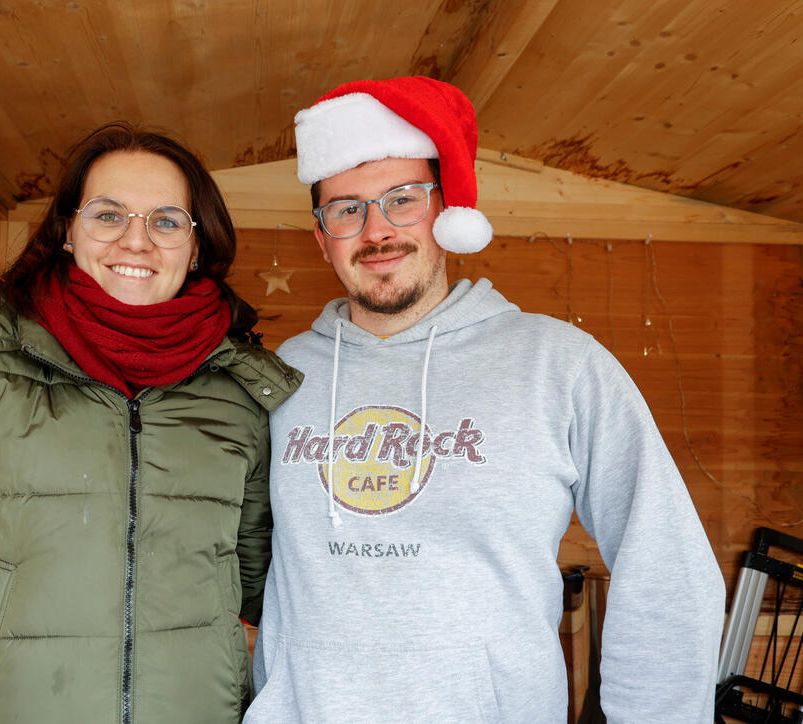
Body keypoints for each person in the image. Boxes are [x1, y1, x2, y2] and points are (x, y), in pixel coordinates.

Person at [244, 77, 724, 723]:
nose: (376, 229)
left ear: (445, 213)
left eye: (402, 199)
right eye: (346, 208)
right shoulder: (278, 375)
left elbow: (664, 564)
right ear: (320, 236)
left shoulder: (557, 364)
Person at [0, 121, 301, 723]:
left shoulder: (241, 397)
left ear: (197, 245)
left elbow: (272, 592)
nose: (136, 241)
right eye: (108, 214)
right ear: (69, 230)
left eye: (167, 220)